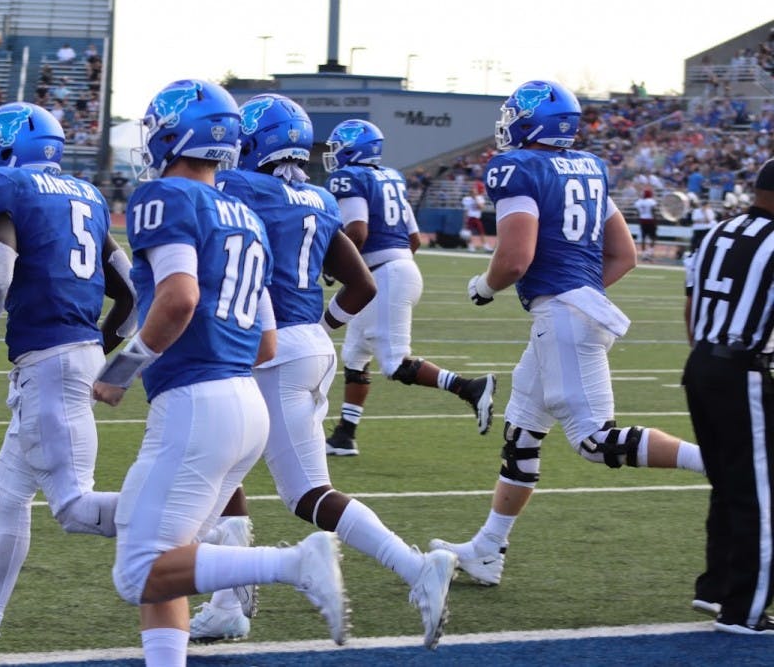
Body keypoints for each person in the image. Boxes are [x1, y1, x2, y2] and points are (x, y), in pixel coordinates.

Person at [94, 79, 348, 666]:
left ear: (175, 133)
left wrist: (122, 369)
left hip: (198, 403)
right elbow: (263, 342)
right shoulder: (246, 215)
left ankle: (293, 563)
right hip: (244, 401)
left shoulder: (167, 198)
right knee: (171, 557)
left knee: (139, 572)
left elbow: (179, 297)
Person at [190, 93, 458, 650]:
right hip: (307, 347)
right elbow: (363, 286)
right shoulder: (316, 197)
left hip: (268, 348)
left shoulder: (240, 187)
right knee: (241, 473)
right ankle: (226, 608)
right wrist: (321, 324)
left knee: (277, 487)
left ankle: (414, 569)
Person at [428, 80, 705, 587]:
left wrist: (484, 287)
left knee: (595, 441)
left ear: (533, 119)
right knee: (522, 431)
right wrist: (578, 294)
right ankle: (488, 549)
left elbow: (514, 259)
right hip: (568, 312)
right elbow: (625, 255)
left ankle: (721, 464)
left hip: (563, 316)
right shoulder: (592, 168)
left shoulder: (518, 167)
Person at [0, 102, 138, 666]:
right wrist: (97, 348)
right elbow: (132, 290)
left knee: (73, 509)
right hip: (68, 355)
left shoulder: (4, 184)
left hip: (51, 362)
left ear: (9, 146)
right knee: (8, 495)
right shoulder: (84, 193)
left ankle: (226, 549)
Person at [321, 119, 497, 456]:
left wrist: (337, 266)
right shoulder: (390, 178)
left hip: (384, 276)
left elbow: (356, 232)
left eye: (338, 146)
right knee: (355, 355)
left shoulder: (350, 178)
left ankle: (470, 388)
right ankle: (344, 435)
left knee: (395, 364)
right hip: (396, 270)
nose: (334, 154)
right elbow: (414, 239)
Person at [683, 158, 774, 635]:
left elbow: (690, 305)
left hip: (701, 362)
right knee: (760, 494)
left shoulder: (717, 231)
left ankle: (715, 588)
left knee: (728, 484)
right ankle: (746, 610)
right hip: (744, 370)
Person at [462, 185, 492, 252]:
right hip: (469, 218)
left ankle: (485, 246)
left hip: (477, 218)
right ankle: (470, 246)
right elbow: (466, 211)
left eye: (474, 191)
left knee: (482, 232)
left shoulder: (480, 198)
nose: (473, 192)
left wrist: (475, 198)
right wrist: (464, 221)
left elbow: (481, 207)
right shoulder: (466, 199)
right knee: (468, 233)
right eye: (472, 191)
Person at [634, 188, 658, 260]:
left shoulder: (639, 202)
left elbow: (638, 212)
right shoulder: (651, 201)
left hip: (642, 220)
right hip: (650, 220)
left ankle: (644, 253)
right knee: (653, 237)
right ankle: (650, 252)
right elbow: (653, 211)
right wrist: (655, 221)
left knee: (643, 238)